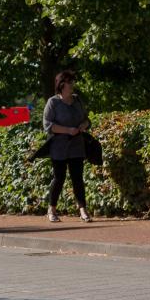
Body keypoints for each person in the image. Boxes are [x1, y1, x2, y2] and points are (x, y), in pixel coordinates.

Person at [42, 70, 92, 223]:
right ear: (62, 85)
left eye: (72, 82)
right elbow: (48, 125)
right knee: (59, 178)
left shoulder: (77, 100)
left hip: (77, 145)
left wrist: (84, 125)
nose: (72, 85)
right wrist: (68, 130)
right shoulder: (53, 102)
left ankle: (83, 210)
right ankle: (52, 209)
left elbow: (87, 120)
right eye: (70, 82)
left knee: (78, 178)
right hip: (59, 147)